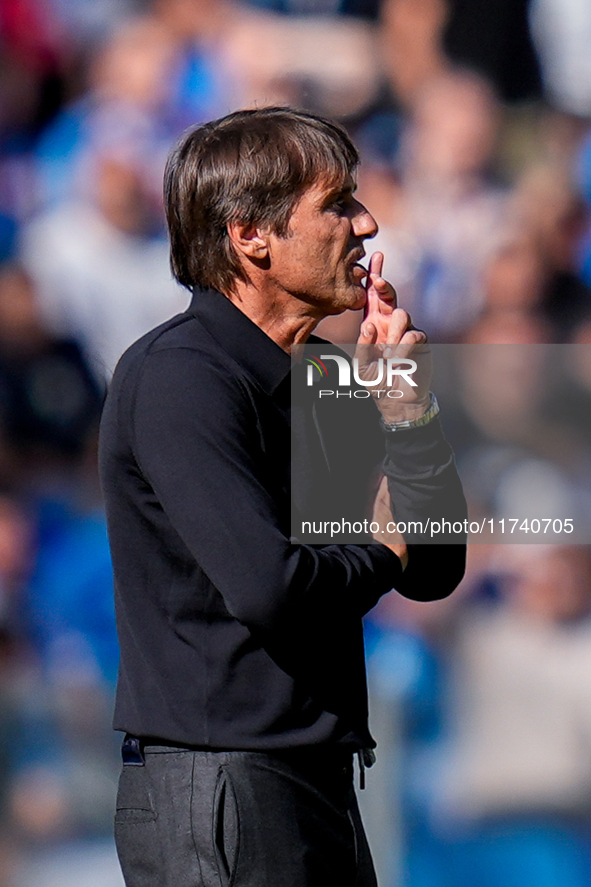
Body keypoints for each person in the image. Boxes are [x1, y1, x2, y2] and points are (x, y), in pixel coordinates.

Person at [98, 106, 467, 887]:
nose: (365, 223)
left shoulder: (321, 377)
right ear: (249, 235)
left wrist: (406, 409)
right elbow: (273, 588)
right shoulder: (180, 376)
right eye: (336, 204)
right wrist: (380, 546)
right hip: (221, 789)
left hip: (310, 782)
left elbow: (431, 565)